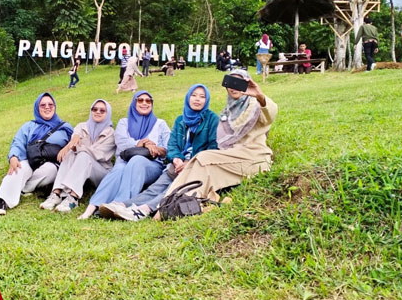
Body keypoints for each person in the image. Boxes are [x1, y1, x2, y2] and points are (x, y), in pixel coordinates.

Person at [99, 84, 218, 221]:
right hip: (177, 165)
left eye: (202, 97)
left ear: (206, 100)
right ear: (188, 97)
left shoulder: (212, 119)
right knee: (156, 188)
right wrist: (177, 159)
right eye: (194, 95)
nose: (197, 99)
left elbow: (213, 147)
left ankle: (143, 210)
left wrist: (189, 163)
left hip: (197, 166)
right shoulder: (181, 120)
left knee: (173, 188)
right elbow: (172, 146)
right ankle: (122, 205)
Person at [163, 69, 278, 205]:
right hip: (231, 157)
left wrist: (260, 95)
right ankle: (170, 202)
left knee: (203, 158)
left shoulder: (255, 105)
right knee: (198, 162)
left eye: (239, 82)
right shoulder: (227, 111)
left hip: (254, 157)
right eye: (231, 82)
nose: (234, 87)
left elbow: (270, 115)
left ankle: (181, 202)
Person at [78, 91, 170, 219]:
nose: (144, 103)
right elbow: (121, 143)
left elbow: (168, 148)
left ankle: (120, 205)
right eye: (140, 100)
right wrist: (141, 144)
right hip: (124, 161)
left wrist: (155, 149)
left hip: (151, 166)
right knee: (119, 170)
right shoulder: (124, 122)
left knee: (137, 160)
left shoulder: (160, 124)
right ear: (134, 102)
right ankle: (92, 207)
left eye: (148, 101)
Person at [0, 93, 74, 215]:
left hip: (52, 163)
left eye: (50, 104)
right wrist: (13, 156)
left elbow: (74, 144)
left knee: (50, 170)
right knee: (18, 168)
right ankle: (1, 200)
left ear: (55, 107)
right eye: (43, 105)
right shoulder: (29, 126)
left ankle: (25, 188)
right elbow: (18, 142)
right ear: (37, 108)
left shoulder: (65, 127)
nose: (47, 107)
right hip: (31, 160)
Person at [40, 100, 116, 213]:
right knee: (70, 153)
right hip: (81, 169)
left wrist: (75, 146)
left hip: (101, 172)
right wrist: (71, 145)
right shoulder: (82, 126)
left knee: (83, 155)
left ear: (107, 113)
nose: (98, 112)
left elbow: (100, 155)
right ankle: (56, 193)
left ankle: (73, 198)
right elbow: (75, 137)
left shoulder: (111, 133)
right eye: (94, 109)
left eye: (102, 110)